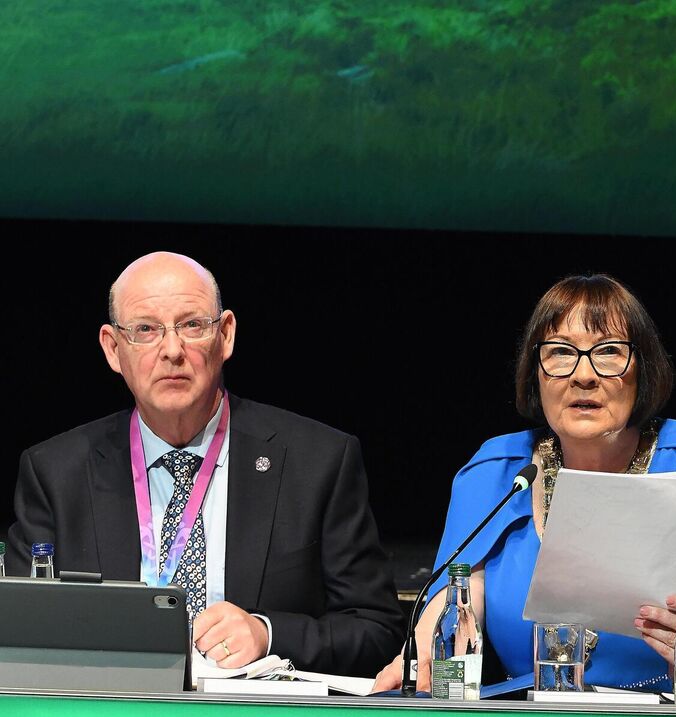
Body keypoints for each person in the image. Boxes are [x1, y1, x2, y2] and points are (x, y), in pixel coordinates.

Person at [373, 274, 676, 696]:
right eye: (561, 352)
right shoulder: (495, 472)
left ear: (643, 369)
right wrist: (420, 661)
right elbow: (442, 632)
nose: (583, 375)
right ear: (536, 373)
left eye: (609, 352)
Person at [5, 251, 404, 677]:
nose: (171, 350)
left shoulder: (318, 462)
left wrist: (269, 634)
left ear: (225, 335)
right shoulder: (56, 474)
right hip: (114, 709)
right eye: (145, 330)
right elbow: (18, 634)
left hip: (256, 714)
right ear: (113, 349)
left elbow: (377, 630)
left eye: (192, 325)